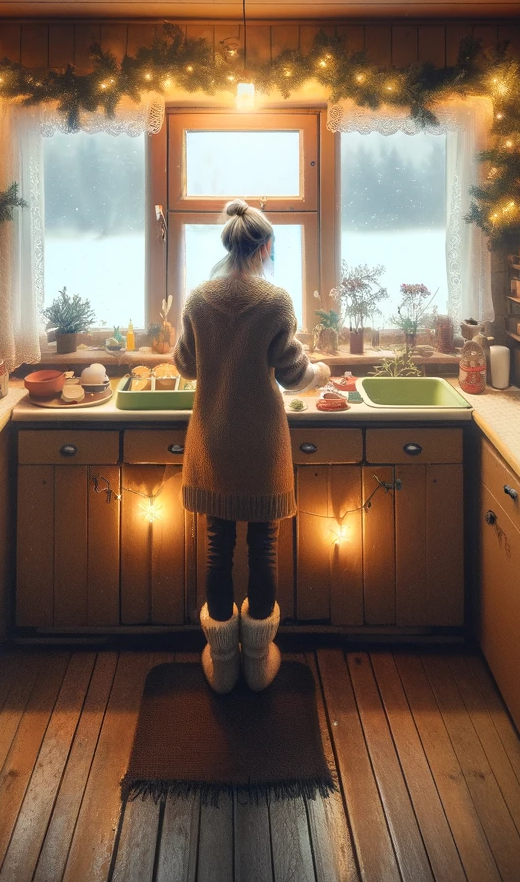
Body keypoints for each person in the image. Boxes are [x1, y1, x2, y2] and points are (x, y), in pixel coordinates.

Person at [173, 199, 328, 693]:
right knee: (264, 546)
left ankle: (222, 664)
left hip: (213, 440)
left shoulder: (198, 300)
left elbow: (185, 366)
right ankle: (259, 662)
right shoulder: (276, 302)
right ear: (263, 248)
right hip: (262, 444)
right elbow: (295, 375)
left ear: (229, 244)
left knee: (218, 546)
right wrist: (322, 371)